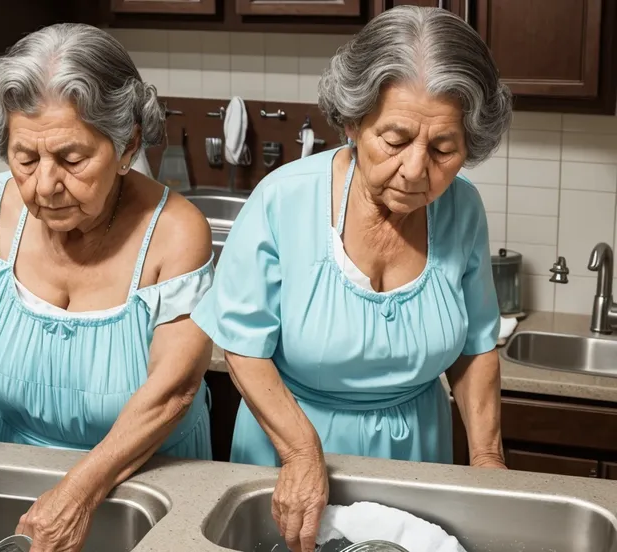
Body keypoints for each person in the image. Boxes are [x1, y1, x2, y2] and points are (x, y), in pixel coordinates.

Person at [191, 6, 512, 552]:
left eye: (442, 149)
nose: (416, 170)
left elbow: (476, 346)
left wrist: (487, 461)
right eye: (395, 140)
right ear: (353, 122)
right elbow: (242, 348)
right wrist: (299, 452)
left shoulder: (463, 210)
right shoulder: (282, 200)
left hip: (417, 458)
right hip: (287, 453)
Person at [0, 23, 214, 551]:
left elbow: (173, 392)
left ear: (127, 143)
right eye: (25, 159)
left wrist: (79, 494)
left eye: (72, 160)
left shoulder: (176, 233)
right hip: (12, 480)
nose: (44, 185)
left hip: (147, 486)